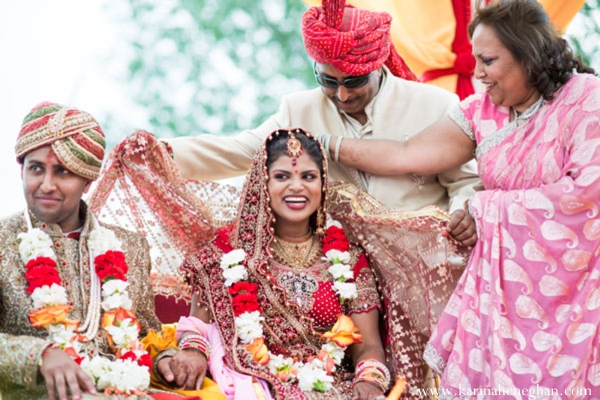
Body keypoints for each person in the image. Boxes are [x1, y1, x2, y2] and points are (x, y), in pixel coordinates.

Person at [322, 0, 600, 395]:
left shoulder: (586, 98)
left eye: (488, 60)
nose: (478, 73)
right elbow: (406, 154)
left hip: (578, 298)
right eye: (476, 59)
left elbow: (589, 194)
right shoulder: (481, 111)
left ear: (528, 54)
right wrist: (327, 144)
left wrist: (483, 208)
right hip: (502, 299)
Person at [164, 0, 481, 247]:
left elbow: (464, 181)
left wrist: (462, 212)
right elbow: (235, 151)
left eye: (354, 81)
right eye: (327, 80)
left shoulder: (435, 103)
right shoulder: (298, 110)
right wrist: (159, 153)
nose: (341, 94)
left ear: (378, 64)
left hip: (425, 264)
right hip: (342, 272)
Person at [0, 102, 223, 400]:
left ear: (88, 181)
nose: (47, 185)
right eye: (36, 169)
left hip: (126, 391)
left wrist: (164, 360)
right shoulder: (4, 241)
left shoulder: (128, 246)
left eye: (63, 172)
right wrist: (40, 354)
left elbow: (143, 333)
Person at [149, 129, 390, 399]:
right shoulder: (226, 253)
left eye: (308, 176)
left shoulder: (350, 259)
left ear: (323, 184)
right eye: (282, 176)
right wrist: (193, 351)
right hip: (251, 383)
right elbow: (198, 326)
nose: (297, 186)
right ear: (262, 184)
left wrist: (369, 381)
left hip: (334, 387)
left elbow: (368, 345)